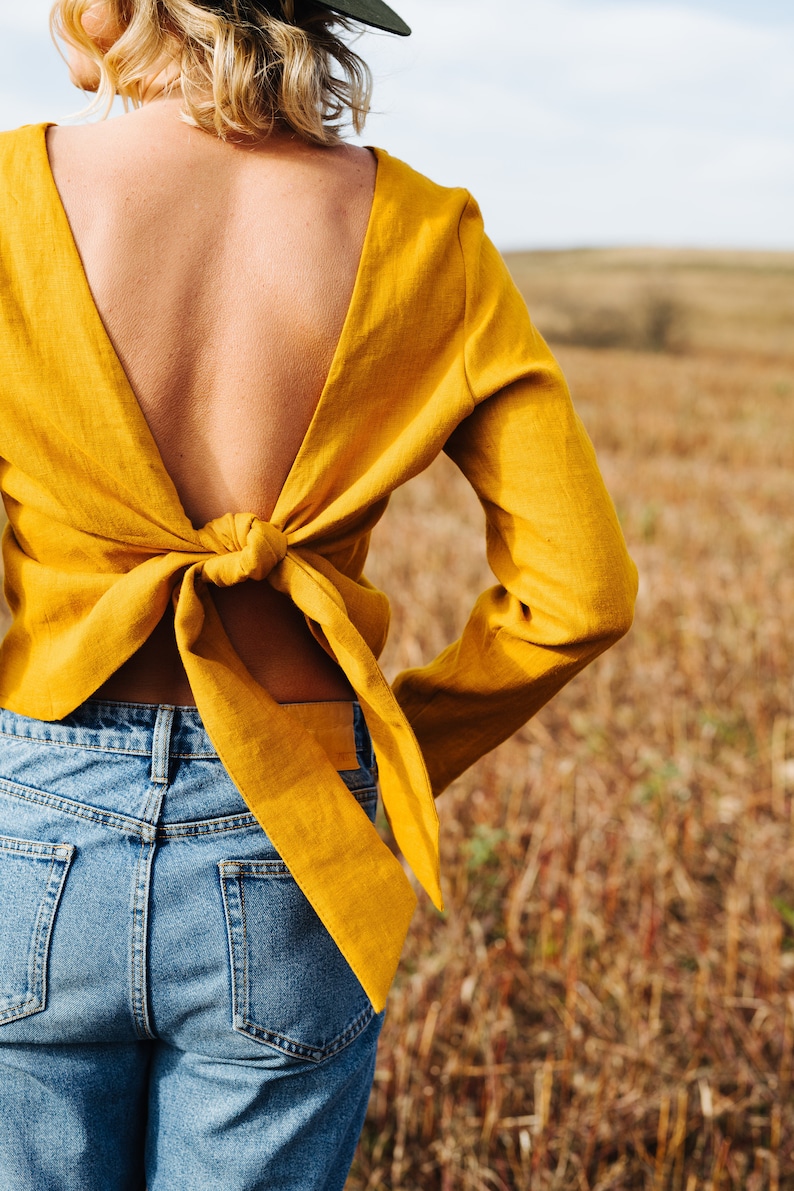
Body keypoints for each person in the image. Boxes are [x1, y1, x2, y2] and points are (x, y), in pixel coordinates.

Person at [0, 1, 638, 1187]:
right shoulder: (424, 231)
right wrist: (389, 768)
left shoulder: (7, 194)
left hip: (31, 820)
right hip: (291, 829)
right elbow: (582, 589)